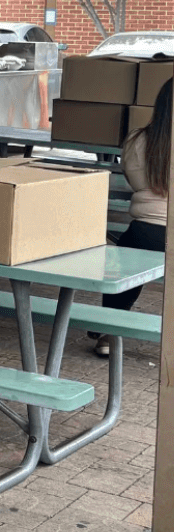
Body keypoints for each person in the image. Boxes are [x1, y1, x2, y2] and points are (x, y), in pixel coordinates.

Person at [98, 79, 170, 356]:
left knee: (121, 263)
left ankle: (108, 332)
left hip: (144, 230)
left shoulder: (137, 139)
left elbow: (131, 179)